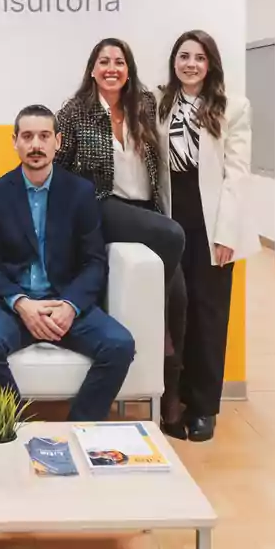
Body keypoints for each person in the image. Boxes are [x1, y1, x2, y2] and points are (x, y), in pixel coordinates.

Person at [0, 105, 136, 421]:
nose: (36, 145)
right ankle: (14, 429)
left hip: (65, 302)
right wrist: (21, 304)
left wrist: (70, 306)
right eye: (27, 136)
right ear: (15, 141)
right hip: (12, 307)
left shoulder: (80, 192)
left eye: (44, 136)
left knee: (120, 345)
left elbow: (94, 262)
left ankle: (76, 429)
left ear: (58, 142)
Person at [55, 38, 187, 433]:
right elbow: (60, 169)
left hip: (146, 210)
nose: (112, 67)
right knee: (174, 234)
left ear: (128, 69)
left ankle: (170, 394)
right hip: (102, 206)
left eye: (119, 61)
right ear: (92, 69)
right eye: (104, 61)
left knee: (177, 297)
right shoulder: (74, 112)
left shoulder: (144, 105)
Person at [156, 30, 259, 441]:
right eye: (183, 56)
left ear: (210, 64)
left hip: (212, 219)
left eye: (199, 58)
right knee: (173, 311)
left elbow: (237, 173)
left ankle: (204, 407)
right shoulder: (160, 103)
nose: (190, 64)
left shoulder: (232, 107)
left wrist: (227, 231)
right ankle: (173, 398)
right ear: (174, 62)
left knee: (208, 312)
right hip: (170, 215)